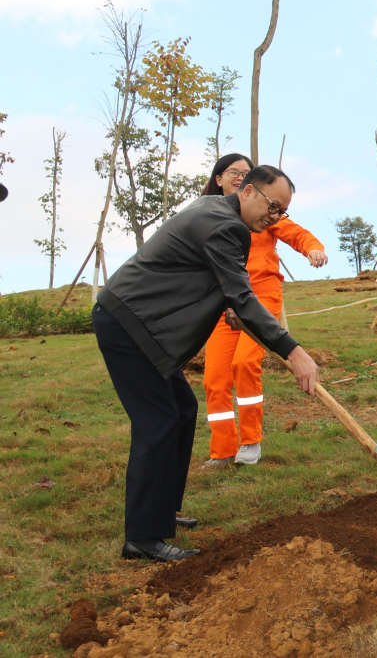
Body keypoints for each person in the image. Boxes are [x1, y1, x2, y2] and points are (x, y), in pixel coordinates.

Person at [93, 165, 319, 561]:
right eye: (272, 205)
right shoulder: (224, 224)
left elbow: (220, 286)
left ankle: (162, 509)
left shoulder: (216, 210)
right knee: (158, 423)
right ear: (247, 192)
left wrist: (229, 304)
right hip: (130, 324)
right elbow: (242, 295)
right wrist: (294, 352)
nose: (275, 216)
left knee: (182, 409)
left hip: (140, 324)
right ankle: (143, 538)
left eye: (282, 211)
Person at [200, 154, 327, 468]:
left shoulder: (264, 213)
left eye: (246, 173)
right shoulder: (208, 215)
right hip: (223, 306)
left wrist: (313, 247)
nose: (240, 177)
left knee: (244, 362)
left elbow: (296, 232)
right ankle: (222, 450)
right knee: (214, 378)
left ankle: (250, 440)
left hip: (261, 298)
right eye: (234, 172)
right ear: (219, 178)